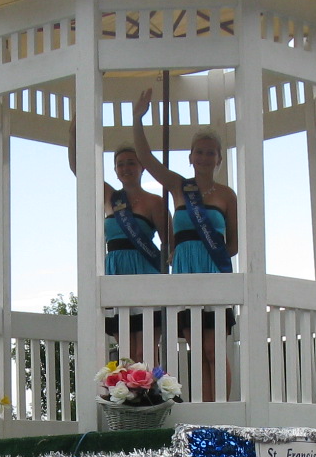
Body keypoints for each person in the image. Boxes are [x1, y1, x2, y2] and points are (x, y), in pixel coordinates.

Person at [130, 89, 237, 402]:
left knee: (213, 349)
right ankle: (205, 412)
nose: (204, 157)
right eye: (199, 152)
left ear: (219, 157)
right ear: (190, 157)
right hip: (185, 273)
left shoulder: (227, 195)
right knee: (197, 350)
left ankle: (221, 412)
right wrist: (138, 118)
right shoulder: (179, 187)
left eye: (210, 152)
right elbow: (146, 158)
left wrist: (209, 256)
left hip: (214, 273)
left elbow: (233, 244)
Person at [68, 127, 171, 360]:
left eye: (131, 163)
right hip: (115, 273)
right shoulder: (110, 198)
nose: (126, 168)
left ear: (142, 167)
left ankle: (151, 394)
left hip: (145, 275)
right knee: (126, 351)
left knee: (144, 350)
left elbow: (169, 246)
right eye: (121, 164)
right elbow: (79, 168)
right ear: (115, 170)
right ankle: (127, 395)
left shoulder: (155, 202)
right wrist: (74, 131)